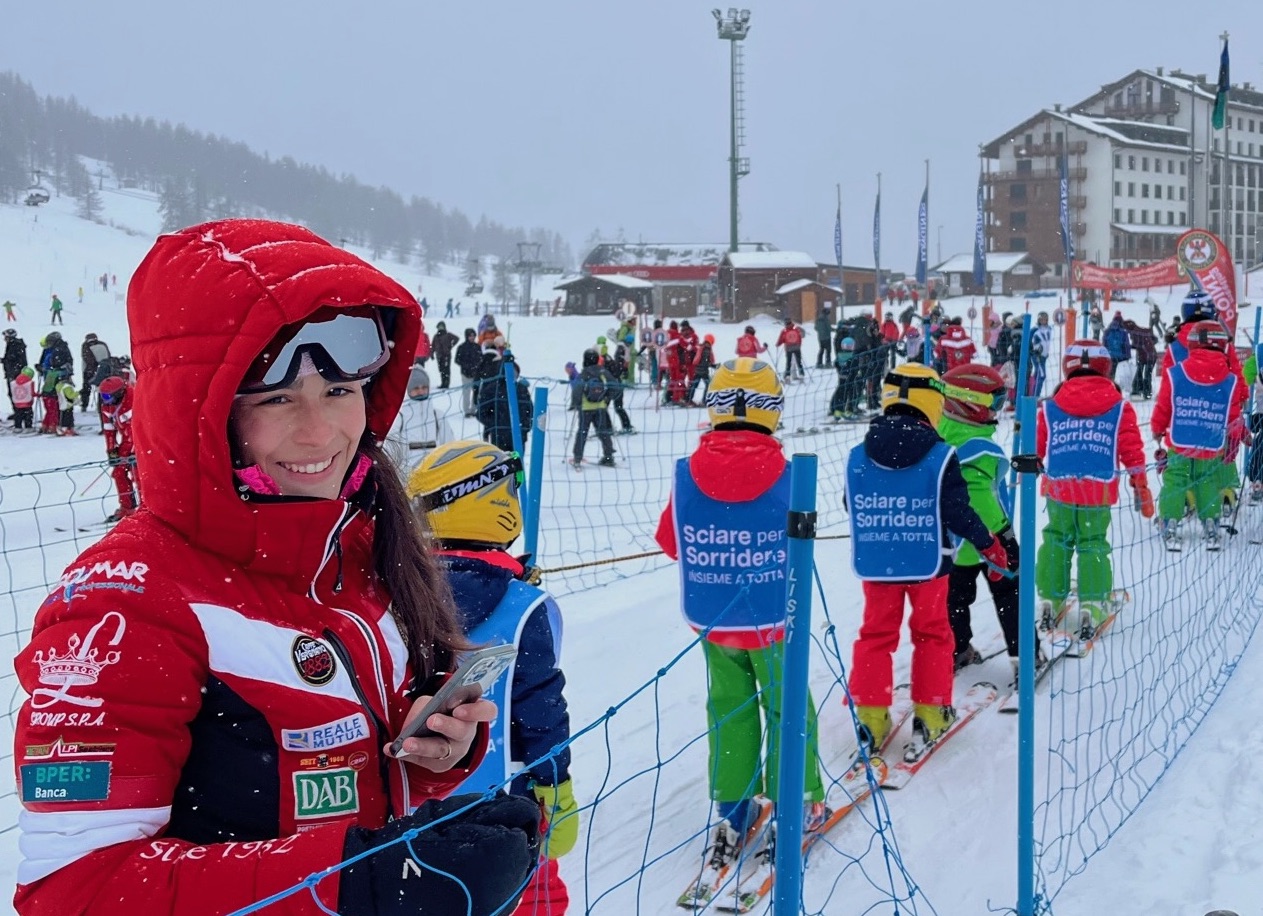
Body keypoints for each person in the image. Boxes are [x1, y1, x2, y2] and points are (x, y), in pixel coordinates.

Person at [12, 219, 540, 916]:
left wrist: (440, 754)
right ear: (200, 414)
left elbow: (351, 788)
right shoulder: (122, 607)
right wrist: (362, 885)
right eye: (276, 399)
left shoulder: (355, 550)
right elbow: (77, 893)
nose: (319, 433)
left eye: (340, 392)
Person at [654, 357, 827, 879]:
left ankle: (734, 808)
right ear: (773, 410)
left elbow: (671, 541)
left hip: (715, 618)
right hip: (775, 620)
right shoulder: (791, 475)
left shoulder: (688, 472)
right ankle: (796, 802)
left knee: (728, 708)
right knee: (787, 704)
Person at [408, 441, 577, 914]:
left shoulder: (395, 591)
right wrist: (555, 785)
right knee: (531, 894)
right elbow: (541, 709)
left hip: (417, 796)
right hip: (505, 798)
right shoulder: (524, 607)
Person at [845, 363, 1006, 755]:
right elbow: (958, 509)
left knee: (875, 635)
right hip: (929, 563)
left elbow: (852, 502)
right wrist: (987, 543)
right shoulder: (940, 454)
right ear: (933, 401)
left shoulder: (857, 454)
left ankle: (870, 715)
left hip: (878, 563)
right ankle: (932, 712)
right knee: (932, 633)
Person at [1035, 340, 1150, 637]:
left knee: (1056, 540)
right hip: (1096, 491)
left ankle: (1051, 597)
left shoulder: (1050, 406)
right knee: (1092, 544)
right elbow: (1130, 446)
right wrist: (1140, 481)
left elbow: (1034, 447)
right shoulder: (1118, 406)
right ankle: (1093, 603)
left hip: (1059, 487)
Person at [938, 364, 1024, 677]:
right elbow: (981, 501)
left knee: (953, 600)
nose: (1000, 410)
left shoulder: (940, 436)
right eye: (996, 403)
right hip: (985, 542)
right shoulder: (979, 448)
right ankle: (1025, 654)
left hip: (950, 545)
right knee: (1009, 593)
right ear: (970, 403)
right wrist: (1004, 534)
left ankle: (957, 647)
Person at [1151, 322, 1248, 551]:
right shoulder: (1230, 380)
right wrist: (1241, 434)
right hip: (1210, 441)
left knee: (1175, 479)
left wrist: (1157, 427)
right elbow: (1233, 414)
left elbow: (1165, 404)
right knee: (1207, 481)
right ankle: (1211, 523)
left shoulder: (1177, 373)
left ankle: (1170, 521)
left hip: (1180, 439)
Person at [97, 375, 140, 521]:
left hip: (141, 444)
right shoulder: (108, 406)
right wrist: (111, 450)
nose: (105, 400)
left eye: (108, 396)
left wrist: (126, 453)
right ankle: (127, 507)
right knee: (119, 473)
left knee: (139, 476)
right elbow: (109, 429)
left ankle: (147, 508)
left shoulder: (133, 401)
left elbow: (134, 433)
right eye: (103, 396)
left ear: (119, 393)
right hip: (127, 445)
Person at [477, 346, 533, 454]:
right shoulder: (493, 389)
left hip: (517, 435)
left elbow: (530, 410)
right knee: (503, 466)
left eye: (516, 373)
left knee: (516, 466)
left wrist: (525, 427)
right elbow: (481, 412)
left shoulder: (521, 389)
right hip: (499, 437)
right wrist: (494, 425)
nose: (514, 376)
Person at [572, 348, 616, 466]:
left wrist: (576, 403)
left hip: (585, 408)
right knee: (603, 431)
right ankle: (608, 455)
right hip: (600, 407)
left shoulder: (584, 374)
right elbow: (615, 385)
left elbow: (577, 390)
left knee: (582, 432)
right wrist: (607, 398)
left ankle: (577, 457)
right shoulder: (602, 371)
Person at [605, 343, 636, 433]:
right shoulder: (613, 359)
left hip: (610, 387)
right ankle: (626, 425)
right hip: (616, 385)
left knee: (604, 408)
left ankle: (608, 427)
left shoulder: (608, 360)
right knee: (618, 407)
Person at [1124, 317, 1158, 400]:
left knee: (1141, 373)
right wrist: (1149, 344)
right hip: (1152, 354)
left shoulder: (1134, 332)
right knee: (1147, 374)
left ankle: (1138, 390)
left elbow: (1137, 345)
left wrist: (1128, 347)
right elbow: (1155, 339)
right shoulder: (1143, 330)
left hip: (1145, 355)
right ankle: (1146, 392)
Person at [80, 333, 113, 411]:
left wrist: (91, 370)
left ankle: (84, 405)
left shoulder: (86, 346)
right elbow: (108, 356)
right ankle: (102, 404)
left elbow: (88, 360)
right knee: (103, 387)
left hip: (89, 371)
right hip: (105, 370)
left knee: (86, 388)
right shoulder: (103, 345)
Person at [455, 327, 482, 417]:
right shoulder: (461, 347)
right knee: (466, 393)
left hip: (476, 373)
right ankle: (467, 411)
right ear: (466, 336)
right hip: (465, 373)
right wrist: (465, 365)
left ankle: (474, 409)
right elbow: (457, 360)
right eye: (470, 336)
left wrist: (478, 366)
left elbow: (481, 358)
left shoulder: (477, 347)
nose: (472, 337)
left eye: (473, 335)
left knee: (476, 392)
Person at [686, 333, 717, 406]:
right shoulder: (707, 350)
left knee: (694, 385)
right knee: (708, 385)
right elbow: (707, 361)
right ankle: (704, 400)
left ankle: (689, 400)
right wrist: (712, 365)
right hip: (703, 371)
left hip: (697, 370)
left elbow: (698, 360)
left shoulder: (701, 347)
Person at [3, 328, 27, 418]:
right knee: (13, 394)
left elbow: (14, 359)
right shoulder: (12, 345)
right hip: (13, 373)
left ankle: (20, 413)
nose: (4, 338)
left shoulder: (15, 345)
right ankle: (18, 412)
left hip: (16, 374)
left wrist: (5, 360)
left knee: (17, 394)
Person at [1103, 312, 1131, 381]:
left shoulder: (1108, 330)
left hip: (1109, 355)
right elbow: (1126, 344)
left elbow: (1104, 342)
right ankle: (1112, 382)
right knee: (1115, 370)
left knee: (1109, 370)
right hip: (1119, 356)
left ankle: (1108, 381)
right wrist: (1127, 356)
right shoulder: (1123, 332)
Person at [431, 320, 458, 389]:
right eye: (439, 327)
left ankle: (446, 383)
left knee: (446, 369)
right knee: (441, 370)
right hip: (439, 355)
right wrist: (432, 353)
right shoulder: (436, 336)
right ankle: (443, 383)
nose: (441, 328)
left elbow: (456, 338)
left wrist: (451, 346)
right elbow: (433, 345)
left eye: (442, 326)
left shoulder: (448, 335)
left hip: (446, 355)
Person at [9, 365, 34, 431]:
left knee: (18, 415)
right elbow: (32, 393)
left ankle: (18, 427)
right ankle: (28, 427)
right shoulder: (30, 383)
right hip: (27, 403)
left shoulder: (14, 382)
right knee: (28, 415)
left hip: (17, 403)